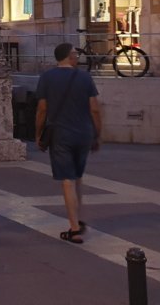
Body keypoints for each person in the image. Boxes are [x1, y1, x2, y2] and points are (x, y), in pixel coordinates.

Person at [35, 43, 102, 244]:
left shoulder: (47, 78)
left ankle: (74, 228)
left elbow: (42, 109)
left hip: (61, 134)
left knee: (67, 180)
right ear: (68, 56)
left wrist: (38, 134)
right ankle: (79, 218)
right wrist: (97, 133)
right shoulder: (84, 77)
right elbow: (95, 109)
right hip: (83, 133)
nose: (77, 57)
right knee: (78, 177)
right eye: (74, 53)